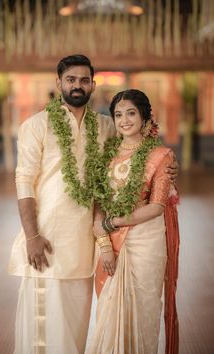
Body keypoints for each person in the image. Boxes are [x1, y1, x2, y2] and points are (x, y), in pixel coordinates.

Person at [9, 55, 178, 354]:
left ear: (93, 84)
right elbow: (23, 181)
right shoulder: (36, 125)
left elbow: (136, 148)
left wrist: (168, 166)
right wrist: (32, 236)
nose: (78, 85)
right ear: (58, 82)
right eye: (71, 79)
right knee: (44, 325)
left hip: (87, 244)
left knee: (77, 322)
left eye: (84, 80)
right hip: (46, 238)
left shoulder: (105, 127)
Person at [87, 89, 179, 354]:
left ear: (144, 117)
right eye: (118, 114)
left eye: (130, 113)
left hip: (146, 241)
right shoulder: (106, 155)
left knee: (144, 310)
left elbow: (157, 206)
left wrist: (112, 223)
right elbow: (99, 204)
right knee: (109, 310)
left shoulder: (161, 155)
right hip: (111, 242)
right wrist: (105, 245)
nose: (124, 120)